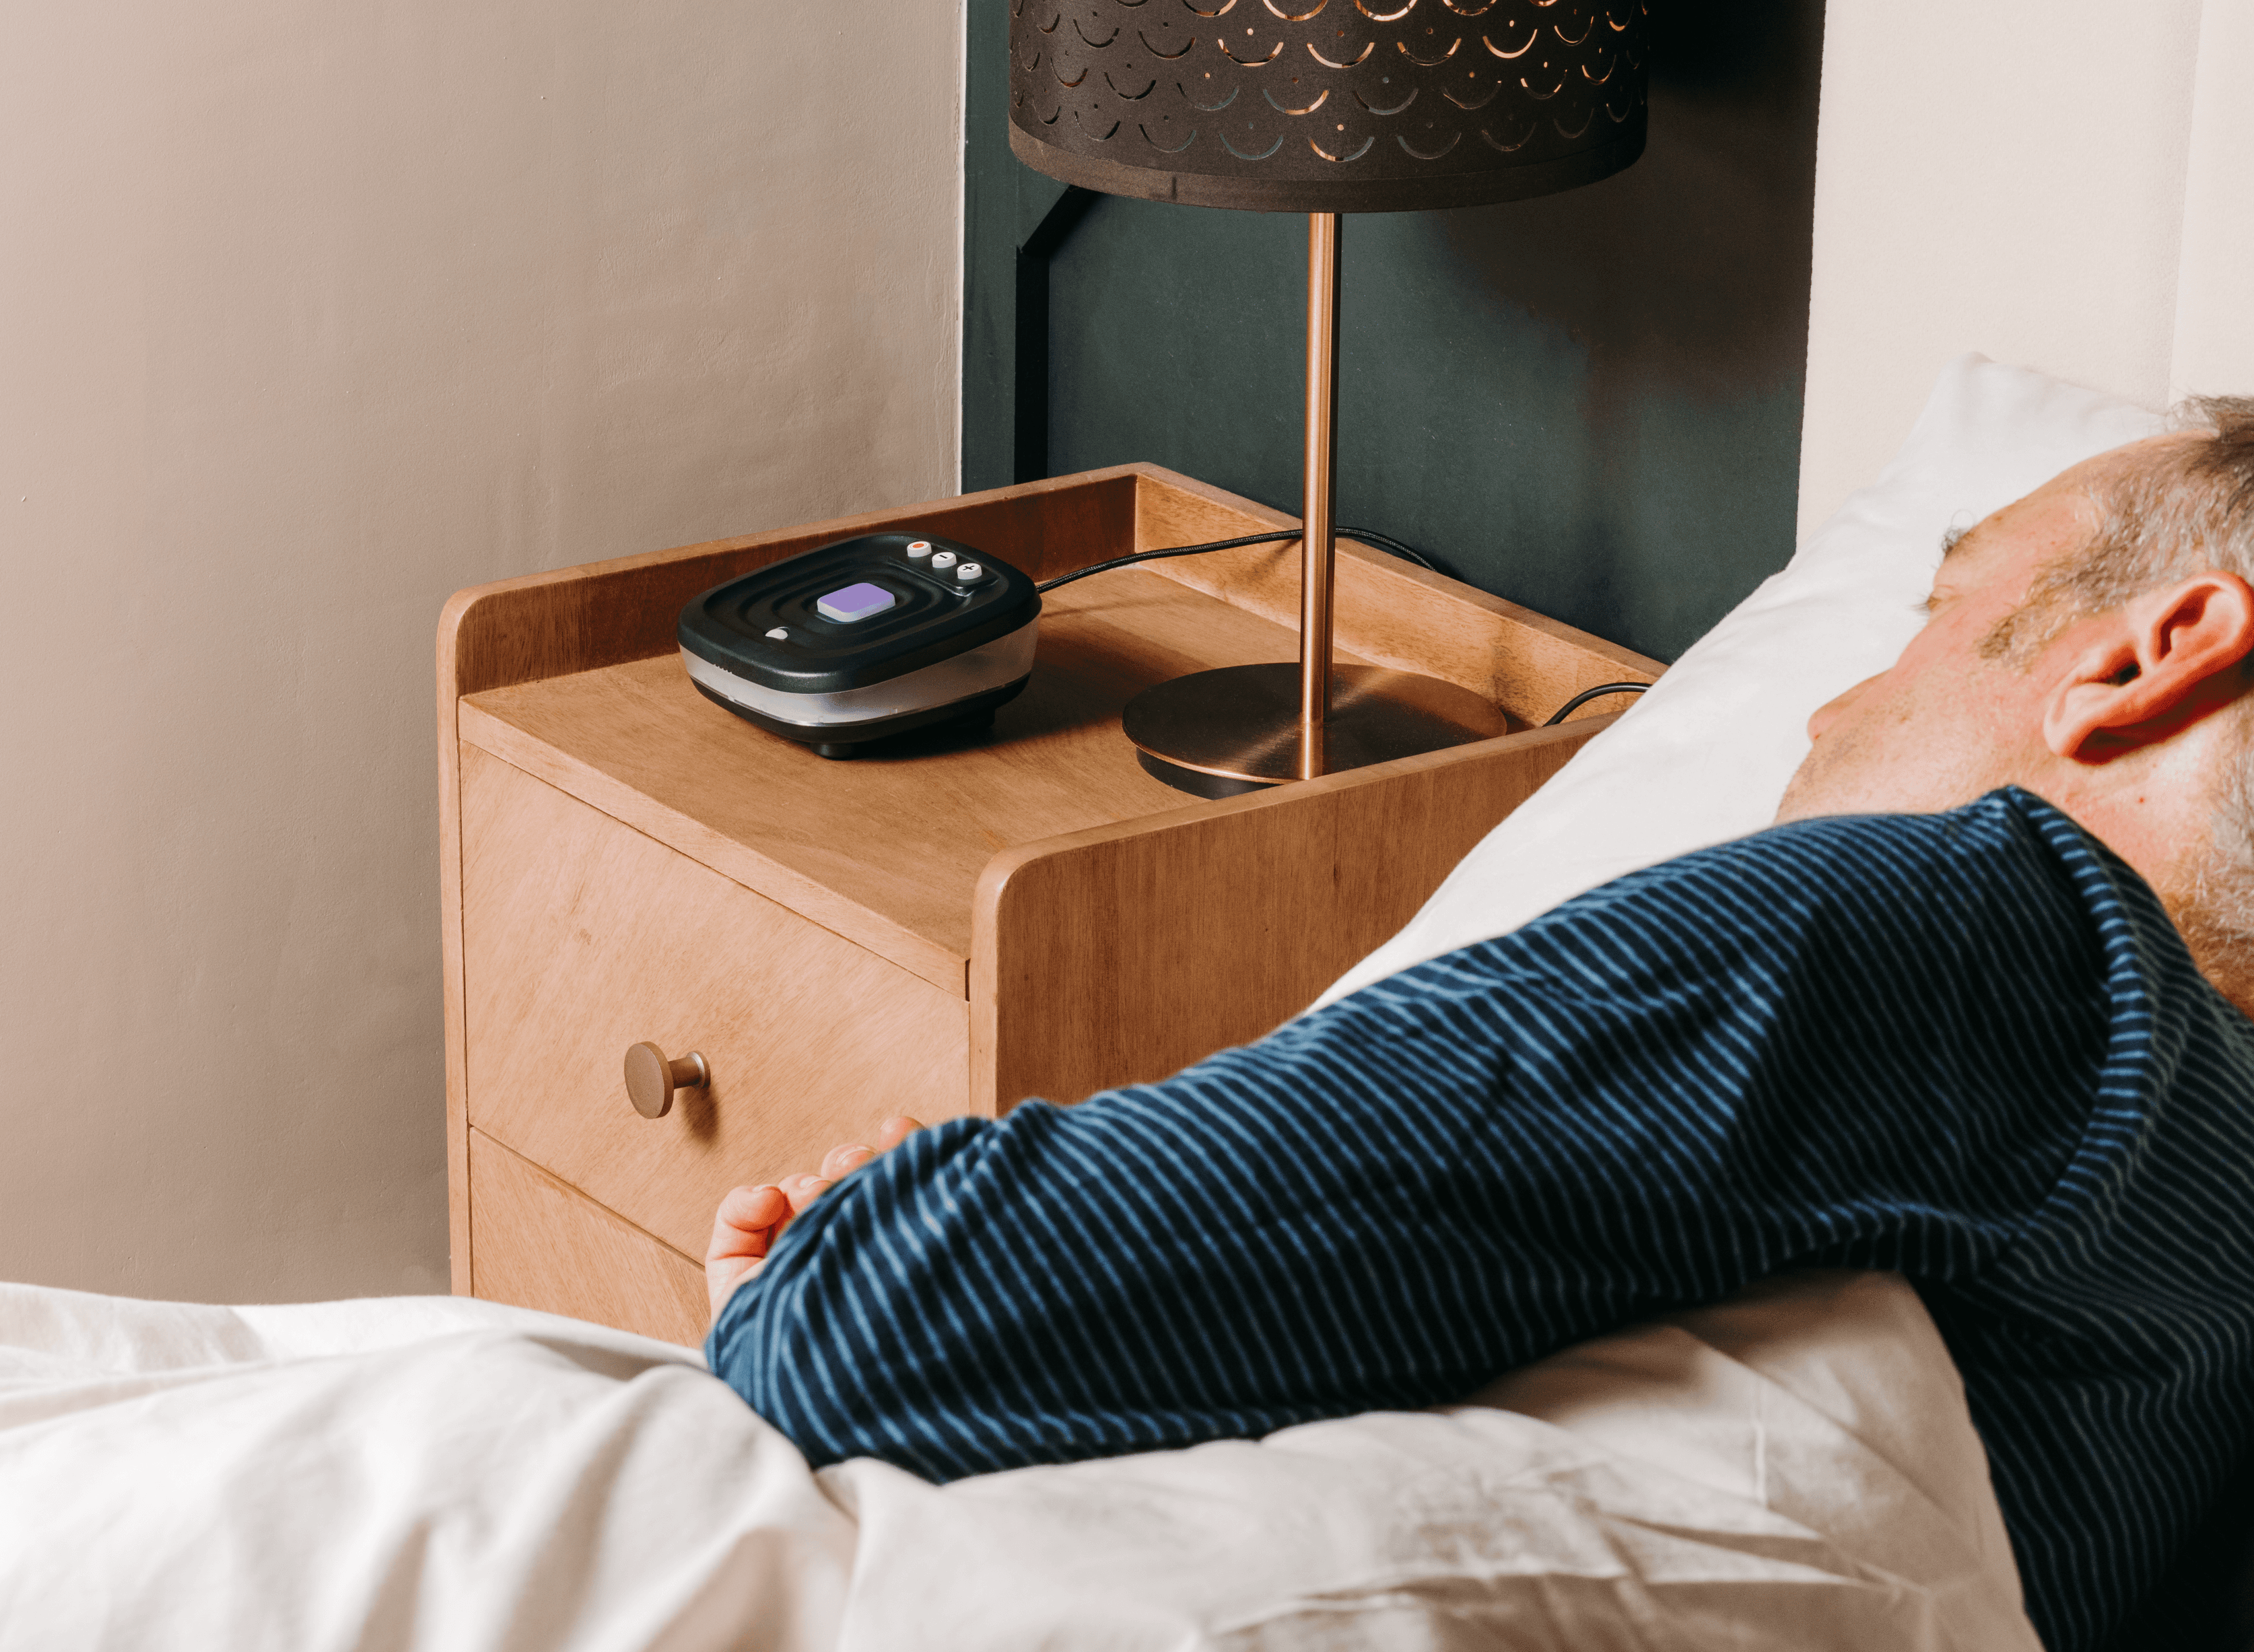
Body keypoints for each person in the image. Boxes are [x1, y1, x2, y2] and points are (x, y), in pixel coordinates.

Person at [702, 403, 2254, 1652]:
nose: (1831, 701)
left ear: (2146, 655)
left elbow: (868, 1333)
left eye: (1935, 613)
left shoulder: (1979, 929)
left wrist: (843, 1247)